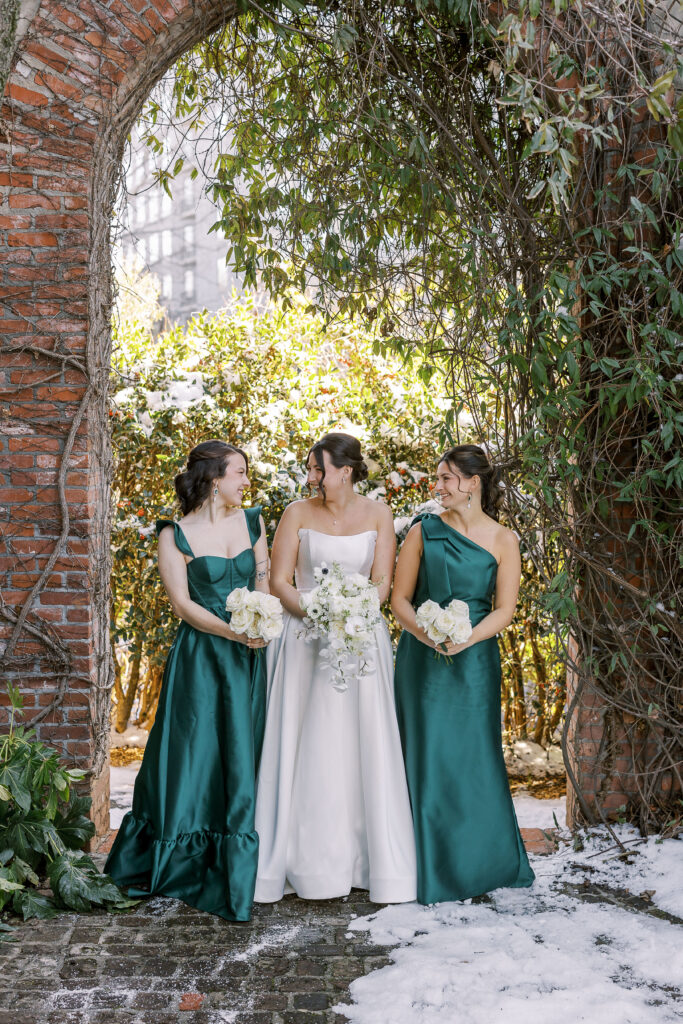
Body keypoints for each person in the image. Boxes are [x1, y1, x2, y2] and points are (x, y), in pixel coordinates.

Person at [105, 440, 270, 921]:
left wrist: (259, 623)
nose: (245, 481)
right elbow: (184, 606)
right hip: (202, 656)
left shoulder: (254, 521)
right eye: (239, 472)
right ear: (216, 477)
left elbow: (261, 580)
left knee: (243, 748)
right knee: (195, 753)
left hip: (251, 656)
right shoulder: (173, 534)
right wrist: (233, 631)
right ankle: (182, 859)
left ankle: (239, 861)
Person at [254, 432, 417, 904]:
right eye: (310, 469)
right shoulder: (297, 514)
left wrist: (354, 612)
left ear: (344, 471)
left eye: (317, 469)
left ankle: (370, 863)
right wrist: (318, 612)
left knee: (361, 745)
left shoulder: (380, 514)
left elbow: (382, 584)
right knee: (309, 743)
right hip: (306, 643)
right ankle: (303, 861)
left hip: (361, 641)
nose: (310, 477)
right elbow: (280, 581)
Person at [391, 444, 535, 905]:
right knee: (425, 754)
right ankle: (422, 867)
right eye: (438, 478)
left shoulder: (504, 540)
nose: (438, 487)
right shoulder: (423, 532)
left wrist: (466, 638)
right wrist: (427, 635)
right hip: (422, 659)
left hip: (474, 662)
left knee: (474, 758)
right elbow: (399, 602)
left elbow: (505, 610)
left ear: (473, 482)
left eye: (447, 479)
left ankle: (482, 861)